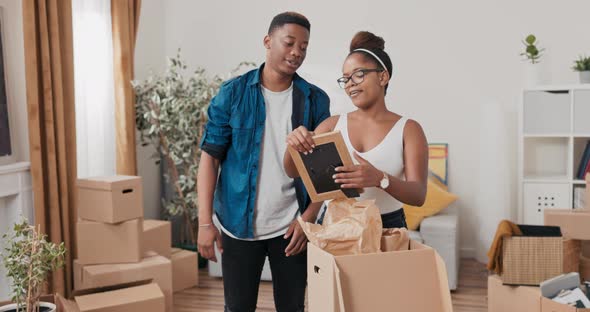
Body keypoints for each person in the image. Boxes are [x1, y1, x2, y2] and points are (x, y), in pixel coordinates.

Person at [197, 12, 330, 312]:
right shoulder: (232, 94)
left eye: (304, 47)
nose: (297, 52)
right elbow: (210, 159)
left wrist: (307, 219)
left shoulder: (316, 100)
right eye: (290, 42)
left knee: (292, 307)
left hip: (292, 227)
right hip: (237, 227)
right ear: (268, 42)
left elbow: (323, 172)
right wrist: (205, 222)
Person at [284, 31, 428, 228]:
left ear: (383, 76)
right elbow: (294, 171)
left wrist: (380, 179)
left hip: (387, 225)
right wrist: (293, 143)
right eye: (345, 78)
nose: (350, 83)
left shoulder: (408, 129)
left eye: (359, 74)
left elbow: (418, 195)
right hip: (337, 223)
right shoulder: (331, 125)